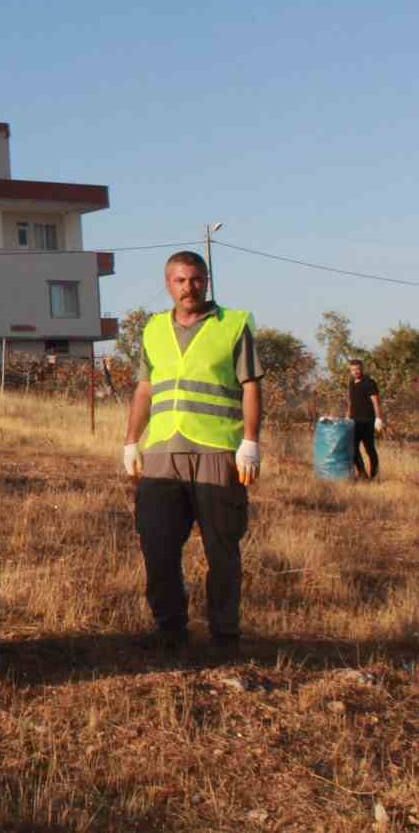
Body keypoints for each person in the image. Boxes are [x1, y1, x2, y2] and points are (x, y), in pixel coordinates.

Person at [123, 251, 264, 653]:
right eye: (181, 280)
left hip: (218, 450)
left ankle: (225, 634)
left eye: (196, 279)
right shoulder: (152, 330)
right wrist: (132, 440)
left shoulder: (233, 325)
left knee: (221, 546)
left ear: (207, 281)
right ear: (169, 284)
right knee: (157, 542)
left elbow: (251, 385)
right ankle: (169, 629)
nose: (189, 287)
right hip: (163, 453)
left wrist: (250, 442)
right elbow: (145, 389)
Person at [345, 359, 385, 480]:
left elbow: (375, 401)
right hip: (355, 422)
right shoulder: (351, 383)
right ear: (350, 371)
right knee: (353, 448)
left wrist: (378, 418)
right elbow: (350, 402)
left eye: (358, 369)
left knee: (369, 449)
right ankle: (362, 473)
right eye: (353, 369)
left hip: (367, 421)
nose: (356, 371)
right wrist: (347, 416)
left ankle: (375, 475)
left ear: (362, 368)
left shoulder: (369, 382)